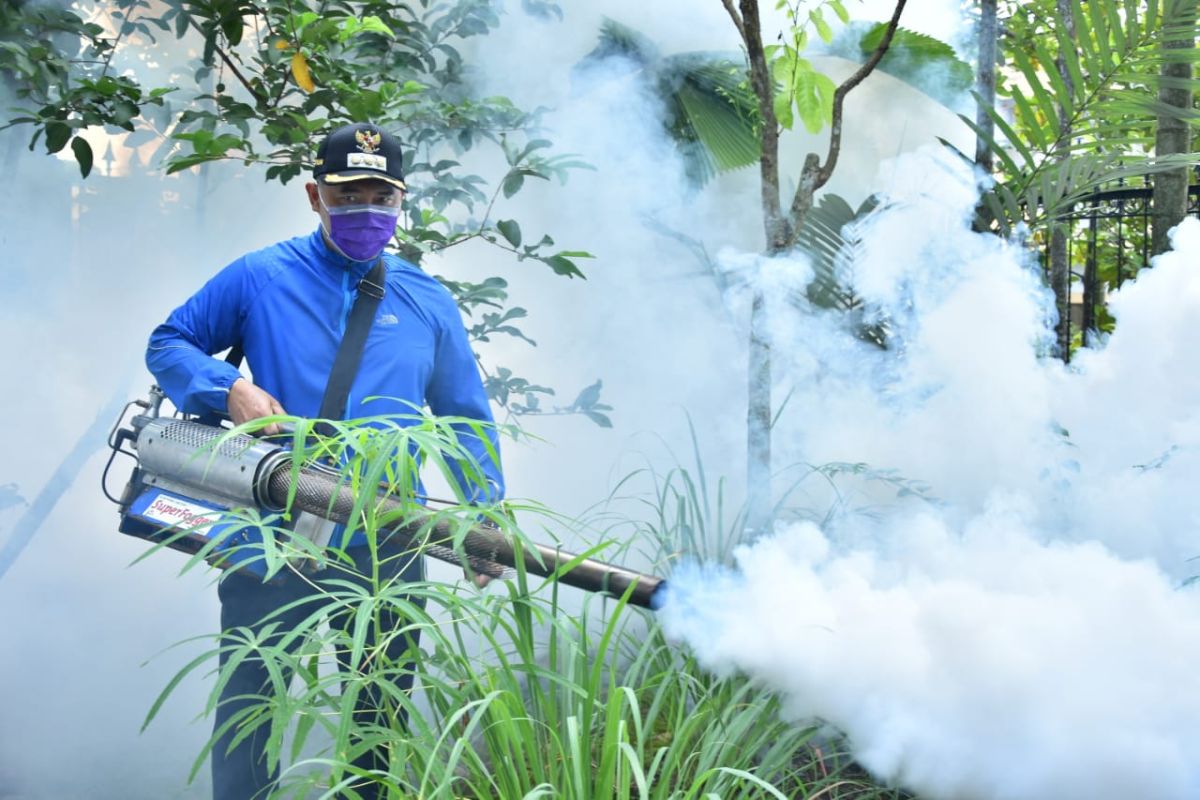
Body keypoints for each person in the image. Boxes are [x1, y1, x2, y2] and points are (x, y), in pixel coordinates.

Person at [145, 122, 504, 799]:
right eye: (348, 195)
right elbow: (169, 342)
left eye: (381, 196)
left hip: (392, 535)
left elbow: (463, 414)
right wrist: (231, 389)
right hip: (276, 523)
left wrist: (483, 515)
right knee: (250, 706)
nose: (366, 211)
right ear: (315, 196)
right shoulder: (260, 277)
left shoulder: (427, 300)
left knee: (379, 715)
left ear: (401, 202)